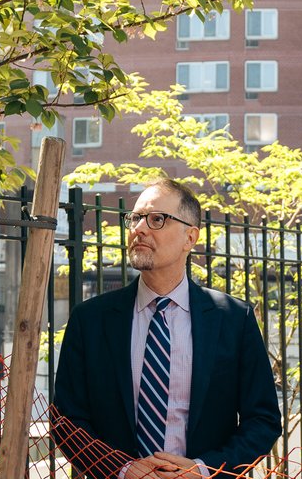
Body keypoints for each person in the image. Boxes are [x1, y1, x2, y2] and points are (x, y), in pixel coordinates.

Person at [52, 179, 282, 479]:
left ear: (190, 237)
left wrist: (205, 470)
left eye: (157, 219)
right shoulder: (91, 319)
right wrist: (121, 470)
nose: (140, 229)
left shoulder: (233, 319)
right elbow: (66, 421)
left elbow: (263, 420)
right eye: (135, 219)